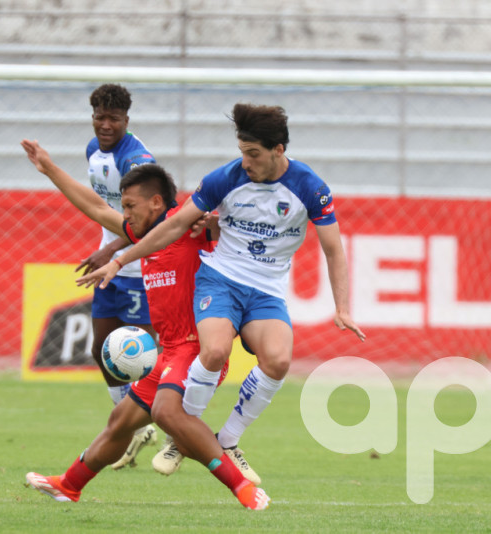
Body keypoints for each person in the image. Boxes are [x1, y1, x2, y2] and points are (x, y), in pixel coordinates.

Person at [77, 103, 366, 471]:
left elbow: (333, 250)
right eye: (242, 151)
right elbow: (174, 225)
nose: (245, 162)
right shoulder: (225, 178)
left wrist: (342, 307)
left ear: (278, 150)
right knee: (213, 351)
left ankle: (226, 441)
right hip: (222, 278)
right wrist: (119, 259)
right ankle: (181, 437)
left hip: (267, 290)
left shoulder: (310, 187)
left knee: (277, 361)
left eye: (254, 154)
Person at [20, 139, 269, 510]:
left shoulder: (188, 226)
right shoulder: (144, 236)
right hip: (169, 351)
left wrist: (215, 224)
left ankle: (242, 488)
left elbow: (231, 231)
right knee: (120, 421)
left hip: (197, 349)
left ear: (156, 202)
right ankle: (69, 486)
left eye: (131, 206)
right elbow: (95, 207)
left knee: (168, 413)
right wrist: (49, 169)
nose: (125, 215)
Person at [76, 84, 161, 470]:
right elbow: (106, 210)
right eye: (99, 117)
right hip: (113, 266)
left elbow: (148, 224)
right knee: (101, 351)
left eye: (113, 118)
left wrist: (110, 251)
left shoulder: (138, 162)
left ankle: (174, 431)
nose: (105, 124)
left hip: (141, 266)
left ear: (127, 120)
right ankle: (135, 428)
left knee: (146, 358)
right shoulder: (94, 151)